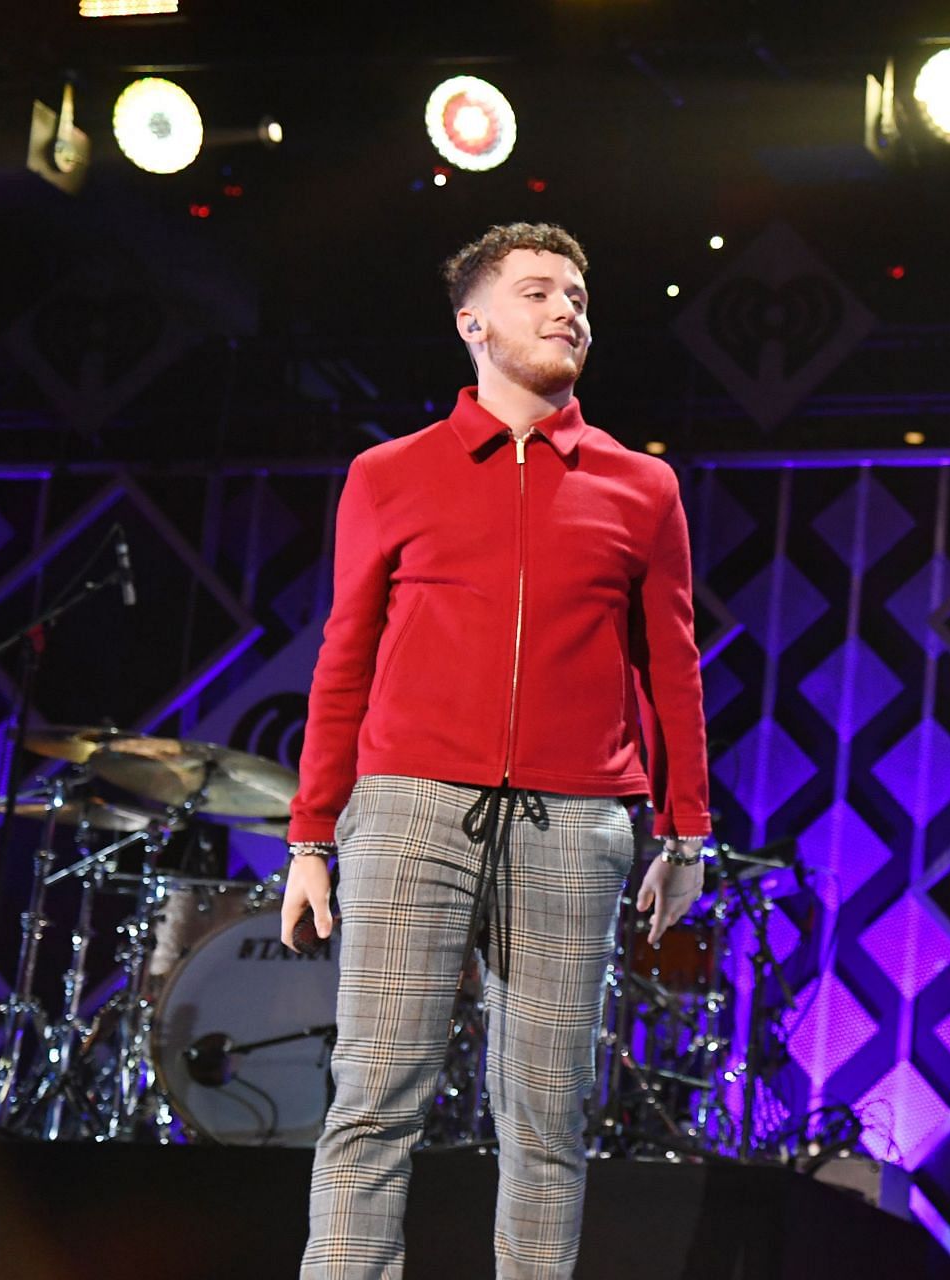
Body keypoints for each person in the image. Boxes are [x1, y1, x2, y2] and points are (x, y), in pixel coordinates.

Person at [280, 222, 713, 1279]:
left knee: (546, 1116)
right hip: (411, 806)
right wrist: (308, 838)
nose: (569, 308)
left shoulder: (640, 486)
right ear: (473, 323)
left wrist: (688, 830)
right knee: (374, 1097)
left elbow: (675, 663)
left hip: (575, 819)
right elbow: (344, 661)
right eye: (538, 292)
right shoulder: (389, 473)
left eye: (578, 294)